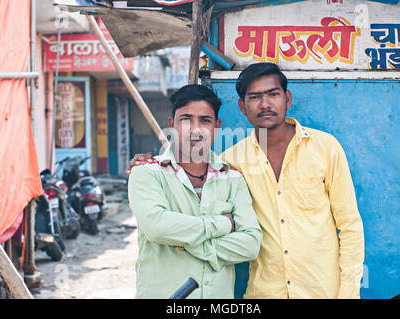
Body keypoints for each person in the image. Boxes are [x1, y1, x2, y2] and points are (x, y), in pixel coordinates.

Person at [128, 63, 365, 299]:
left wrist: (348, 293)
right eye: (254, 97)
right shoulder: (231, 163)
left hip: (322, 291)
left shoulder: (325, 148)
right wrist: (223, 224)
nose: (265, 104)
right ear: (242, 106)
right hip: (265, 294)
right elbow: (158, 221)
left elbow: (350, 226)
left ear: (287, 99)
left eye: (273, 94)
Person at [127, 84, 262, 299]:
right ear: (172, 124)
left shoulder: (233, 178)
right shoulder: (147, 173)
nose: (195, 129)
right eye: (186, 119)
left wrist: (188, 244)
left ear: (216, 127)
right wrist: (223, 224)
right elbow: (156, 227)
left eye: (205, 120)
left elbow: (250, 245)